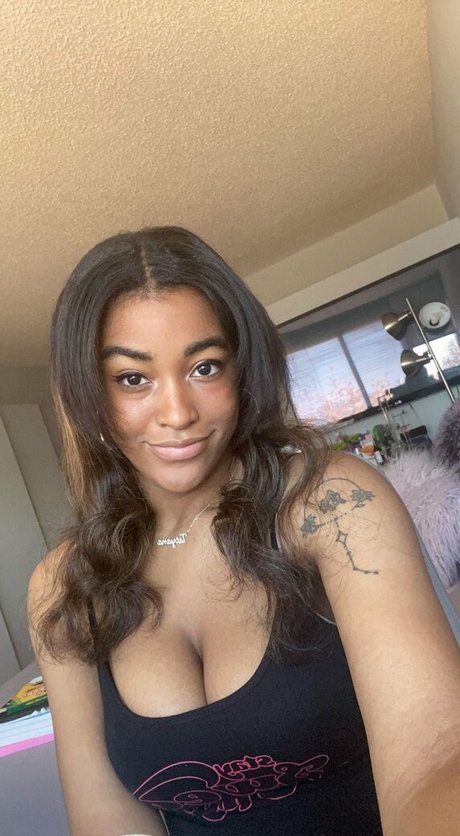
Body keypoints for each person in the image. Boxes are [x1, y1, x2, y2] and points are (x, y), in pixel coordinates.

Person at [28, 226, 459, 836]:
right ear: (87, 394)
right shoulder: (62, 587)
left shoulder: (331, 501)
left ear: (243, 372)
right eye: (133, 378)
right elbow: (103, 815)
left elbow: (434, 758)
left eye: (204, 367)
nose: (178, 413)